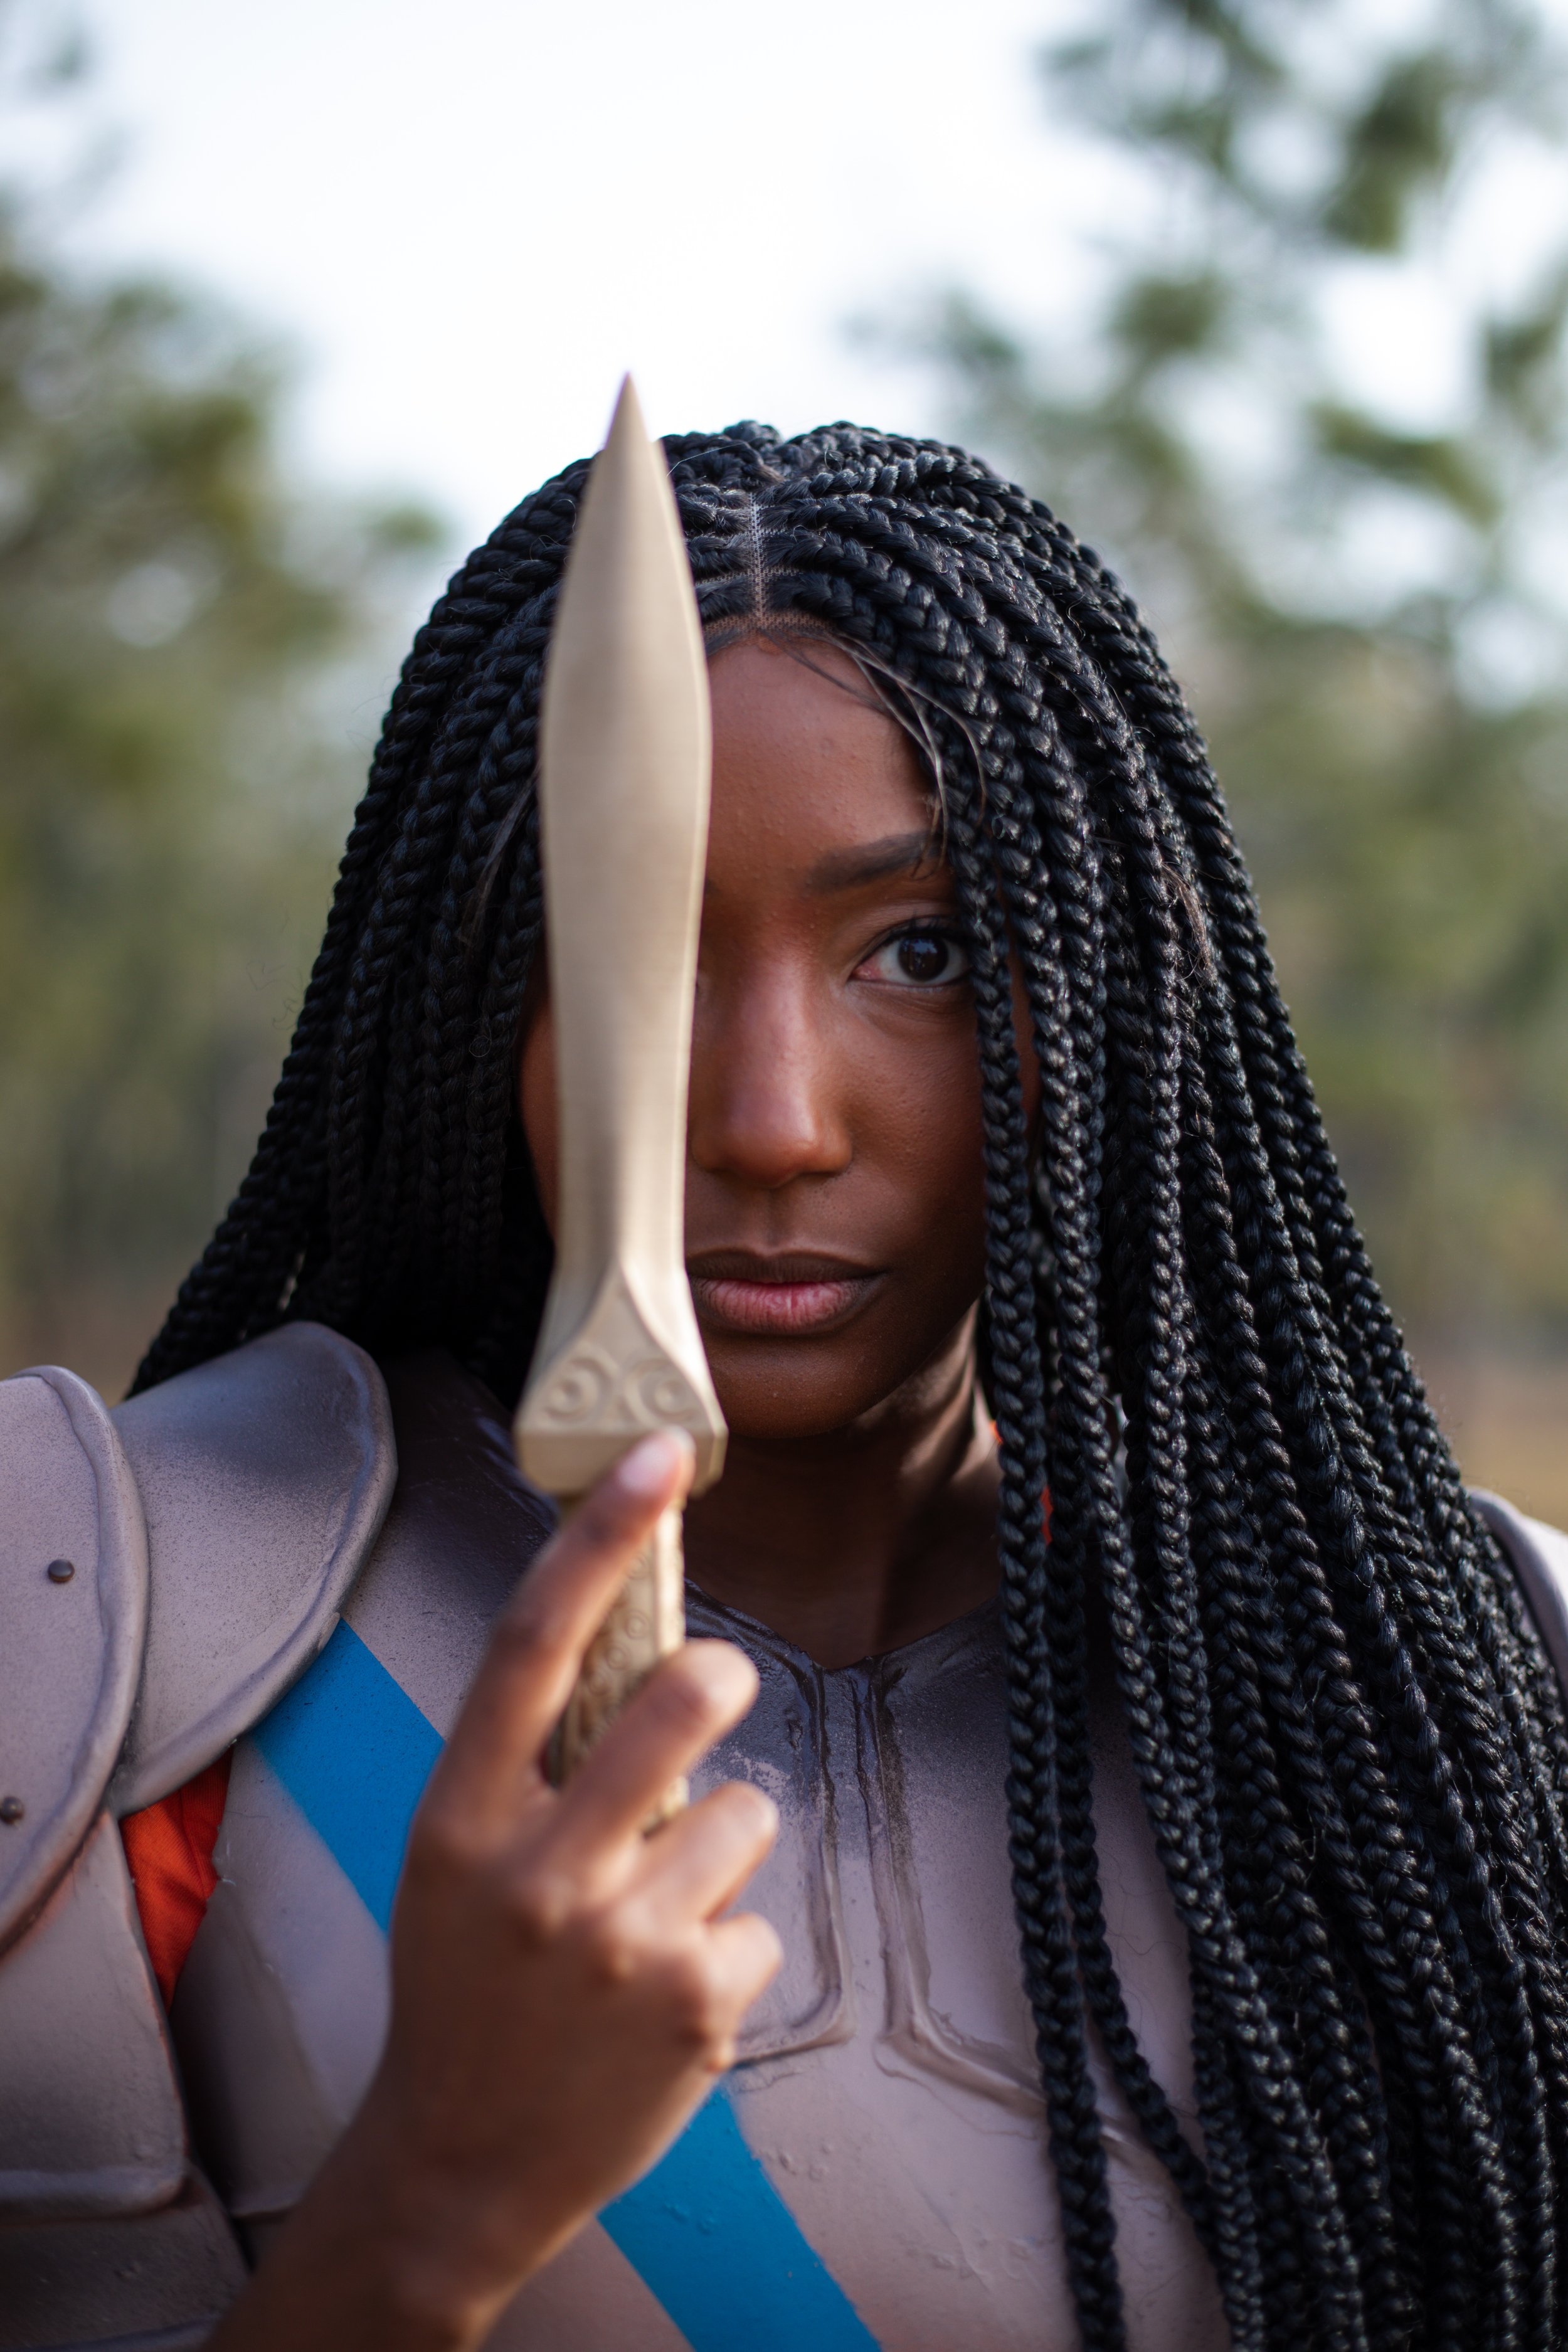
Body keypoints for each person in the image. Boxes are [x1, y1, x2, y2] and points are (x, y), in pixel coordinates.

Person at [4, 421, 1568, 2352]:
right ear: (464, 995)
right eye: (630, 950)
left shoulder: (1459, 1684)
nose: (769, 1120)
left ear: (1107, 998)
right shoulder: (104, 1633)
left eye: (916, 951)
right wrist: (426, 2210)